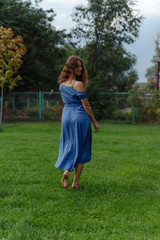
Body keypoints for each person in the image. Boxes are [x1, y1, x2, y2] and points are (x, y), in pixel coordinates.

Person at [55, 56, 99, 189]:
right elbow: (86, 106)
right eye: (78, 66)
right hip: (79, 117)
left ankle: (68, 170)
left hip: (67, 116)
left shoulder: (62, 83)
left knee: (70, 145)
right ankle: (75, 182)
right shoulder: (77, 84)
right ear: (71, 68)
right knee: (82, 148)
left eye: (81, 66)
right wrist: (95, 122)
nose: (81, 68)